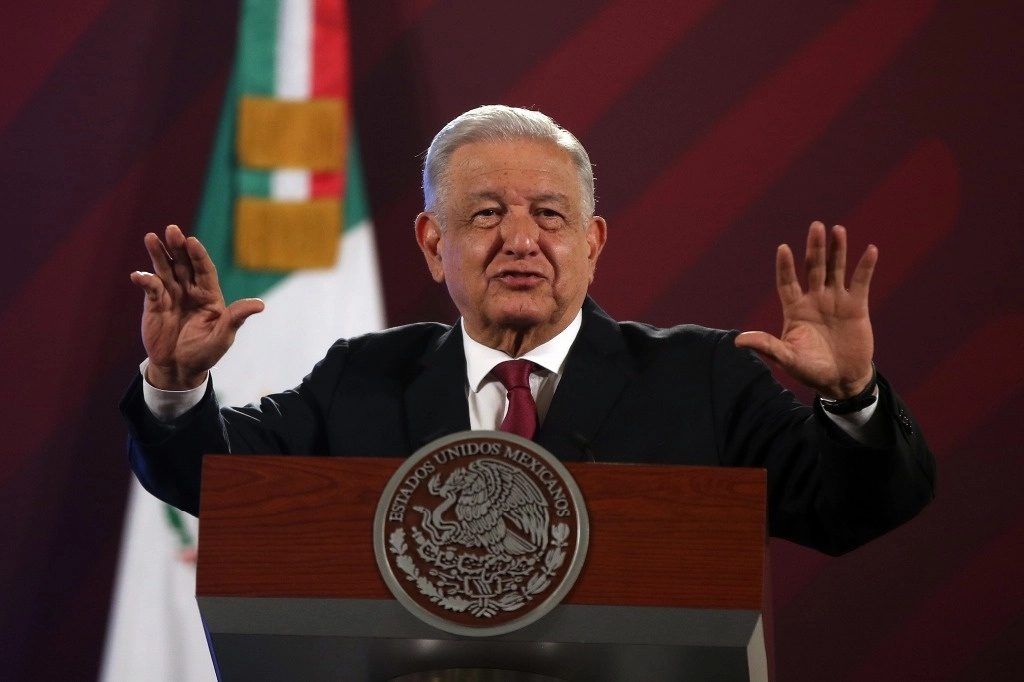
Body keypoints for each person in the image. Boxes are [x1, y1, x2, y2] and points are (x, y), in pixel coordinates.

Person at [121, 105, 935, 556]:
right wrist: (176, 387)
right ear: (433, 243)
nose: (521, 240)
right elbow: (218, 485)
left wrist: (854, 402)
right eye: (485, 215)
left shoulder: (702, 378)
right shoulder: (362, 378)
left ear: (592, 242)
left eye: (550, 215)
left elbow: (855, 509)